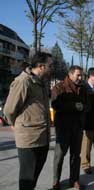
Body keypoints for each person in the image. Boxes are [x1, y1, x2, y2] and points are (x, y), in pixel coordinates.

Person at [3, 52, 52, 190]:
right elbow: (9, 110)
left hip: (42, 136)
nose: (52, 68)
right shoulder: (23, 81)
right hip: (28, 139)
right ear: (41, 66)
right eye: (50, 65)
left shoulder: (41, 82)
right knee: (27, 177)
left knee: (34, 175)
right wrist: (14, 124)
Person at [51, 65, 88, 190]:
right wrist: (74, 106)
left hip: (77, 127)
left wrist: (83, 107)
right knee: (59, 155)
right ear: (70, 74)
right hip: (63, 127)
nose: (80, 77)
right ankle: (56, 182)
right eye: (78, 75)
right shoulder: (59, 87)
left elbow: (87, 105)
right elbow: (56, 104)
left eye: (81, 75)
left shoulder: (82, 88)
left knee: (75, 155)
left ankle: (74, 180)